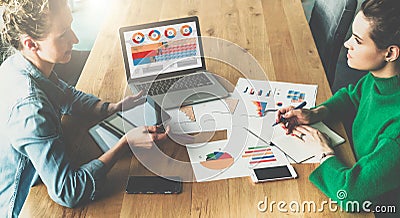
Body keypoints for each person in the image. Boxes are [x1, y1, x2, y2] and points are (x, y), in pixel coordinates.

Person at [0, 0, 169, 217]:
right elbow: (68, 191)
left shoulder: (17, 63)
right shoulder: (31, 110)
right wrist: (124, 143)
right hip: (24, 206)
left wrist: (110, 108)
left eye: (70, 26)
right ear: (31, 44)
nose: (75, 39)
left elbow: (66, 94)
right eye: (63, 35)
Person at [277, 0, 399, 215]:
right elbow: (353, 96)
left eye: (358, 41)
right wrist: (315, 113)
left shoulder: (396, 133)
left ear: (390, 53)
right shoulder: (381, 79)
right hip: (356, 164)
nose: (346, 44)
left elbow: (349, 194)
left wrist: (323, 152)